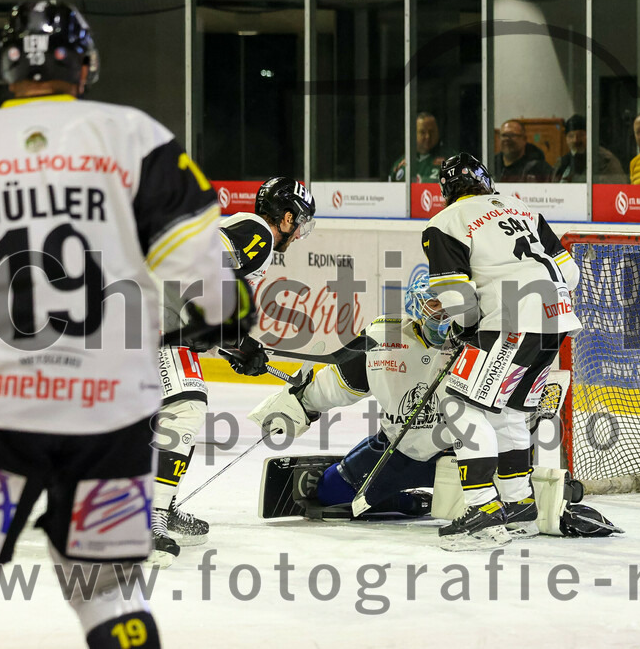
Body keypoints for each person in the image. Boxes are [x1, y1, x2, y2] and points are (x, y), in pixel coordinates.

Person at [0, 1, 255, 649]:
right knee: (107, 593)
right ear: (83, 65)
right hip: (109, 410)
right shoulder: (134, 135)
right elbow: (205, 276)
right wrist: (233, 314)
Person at [248, 272, 618, 538]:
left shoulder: (484, 345)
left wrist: (550, 500)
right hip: (398, 447)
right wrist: (294, 409)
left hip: (466, 458)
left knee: (509, 501)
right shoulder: (386, 338)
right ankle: (410, 502)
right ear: (415, 306)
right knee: (328, 496)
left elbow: (512, 416)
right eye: (434, 306)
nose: (442, 316)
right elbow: (336, 384)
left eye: (450, 308)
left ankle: (532, 496)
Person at [151, 176, 315, 566]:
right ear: (287, 218)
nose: (298, 233)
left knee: (170, 415)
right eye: (300, 223)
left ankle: (158, 501)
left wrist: (231, 345)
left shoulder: (242, 233)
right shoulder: (258, 233)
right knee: (186, 407)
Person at [423, 153, 582, 550]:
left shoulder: (445, 221)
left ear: (446, 192)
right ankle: (520, 508)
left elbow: (457, 295)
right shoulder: (522, 208)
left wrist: (466, 328)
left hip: (510, 320)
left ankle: (482, 514)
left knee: (460, 405)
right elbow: (572, 274)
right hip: (556, 319)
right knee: (511, 411)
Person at [552, 114, 627, 183]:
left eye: (581, 135)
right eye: (571, 136)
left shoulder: (606, 160)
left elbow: (619, 187)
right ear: (566, 139)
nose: (576, 140)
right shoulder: (562, 164)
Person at [388, 112, 456, 183]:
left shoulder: (451, 159)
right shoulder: (401, 163)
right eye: (422, 132)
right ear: (413, 134)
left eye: (431, 132)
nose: (428, 136)